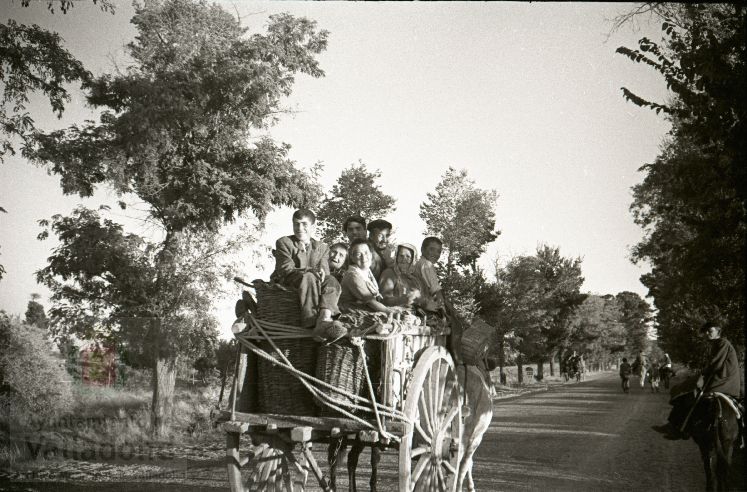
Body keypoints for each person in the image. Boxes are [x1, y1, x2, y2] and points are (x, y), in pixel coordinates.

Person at [654, 321, 742, 439]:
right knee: (687, 393)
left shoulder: (722, 343)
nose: (707, 333)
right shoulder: (717, 344)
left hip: (722, 381)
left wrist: (700, 375)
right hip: (722, 379)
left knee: (685, 395)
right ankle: (679, 426)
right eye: (706, 331)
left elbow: (715, 364)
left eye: (710, 331)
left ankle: (677, 427)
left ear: (718, 331)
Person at [270, 209, 344, 338]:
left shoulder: (322, 247)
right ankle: (310, 321)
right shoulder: (284, 242)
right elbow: (285, 269)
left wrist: (322, 273)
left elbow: (324, 271)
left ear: (313, 226)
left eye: (304, 224)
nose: (300, 228)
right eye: (296, 224)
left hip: (312, 281)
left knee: (331, 280)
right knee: (309, 276)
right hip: (290, 280)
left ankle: (324, 318)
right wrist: (311, 271)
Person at [338, 238, 409, 315]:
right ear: (352, 258)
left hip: (364, 310)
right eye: (359, 254)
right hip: (351, 314)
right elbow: (370, 301)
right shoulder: (352, 275)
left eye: (366, 253)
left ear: (371, 255)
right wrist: (392, 313)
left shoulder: (366, 272)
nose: (364, 257)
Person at [378, 243, 423, 308]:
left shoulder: (414, 279)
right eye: (401, 256)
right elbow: (384, 299)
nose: (404, 259)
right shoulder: (389, 273)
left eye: (408, 256)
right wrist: (403, 300)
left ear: (412, 260)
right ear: (396, 257)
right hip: (392, 313)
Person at [413, 237, 447, 315]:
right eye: (432, 249)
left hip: (418, 303)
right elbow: (436, 290)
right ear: (422, 249)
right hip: (425, 307)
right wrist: (443, 311)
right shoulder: (427, 264)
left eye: (439, 251)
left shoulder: (418, 263)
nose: (435, 254)